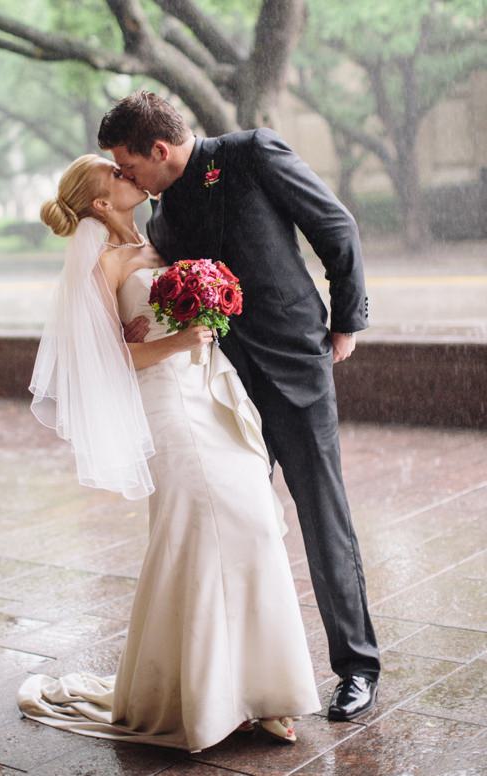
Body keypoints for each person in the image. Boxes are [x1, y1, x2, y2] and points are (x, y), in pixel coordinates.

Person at [16, 153, 322, 753]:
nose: (131, 176)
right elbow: (98, 363)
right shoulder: (102, 266)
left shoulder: (162, 242)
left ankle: (263, 691)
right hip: (167, 409)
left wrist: (212, 307)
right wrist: (179, 338)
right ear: (102, 204)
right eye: (118, 175)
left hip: (210, 393)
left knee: (255, 524)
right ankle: (211, 699)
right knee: (199, 535)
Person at [98, 90, 380, 722]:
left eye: (128, 163)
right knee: (237, 521)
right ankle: (240, 679)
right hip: (220, 386)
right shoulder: (160, 220)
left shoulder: (252, 153)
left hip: (295, 365)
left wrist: (345, 322)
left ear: (160, 149)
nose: (127, 176)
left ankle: (358, 668)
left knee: (321, 511)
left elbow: (336, 227)